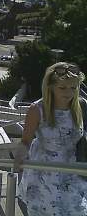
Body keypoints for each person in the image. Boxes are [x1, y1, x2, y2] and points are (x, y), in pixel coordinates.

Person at [14, 62, 87, 216]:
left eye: (73, 88)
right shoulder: (37, 110)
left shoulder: (81, 106)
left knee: (77, 210)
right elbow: (25, 141)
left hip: (72, 171)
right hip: (43, 174)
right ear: (51, 87)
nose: (69, 93)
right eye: (62, 88)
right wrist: (20, 157)